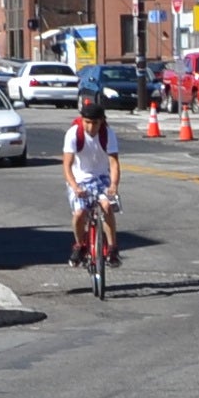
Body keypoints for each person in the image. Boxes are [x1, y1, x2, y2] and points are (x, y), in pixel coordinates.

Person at [63, 99, 121, 285]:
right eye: (87, 122)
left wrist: (113, 185)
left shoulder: (107, 133)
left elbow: (113, 162)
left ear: (101, 121)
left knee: (106, 206)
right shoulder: (74, 133)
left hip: (102, 178)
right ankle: (80, 245)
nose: (90, 127)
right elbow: (67, 164)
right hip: (80, 179)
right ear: (82, 120)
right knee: (80, 213)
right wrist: (74, 186)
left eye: (95, 123)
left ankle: (112, 249)